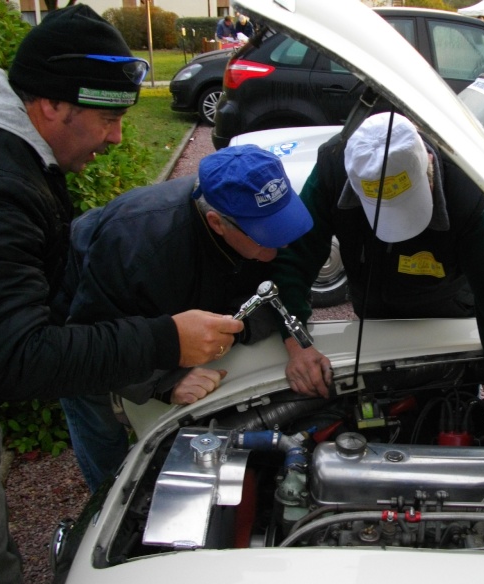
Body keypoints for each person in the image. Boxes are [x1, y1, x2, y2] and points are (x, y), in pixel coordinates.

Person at [0, 5, 245, 584]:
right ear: (53, 104)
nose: (116, 137)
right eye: (107, 118)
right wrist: (168, 341)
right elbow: (22, 357)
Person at [269, 112, 484, 449]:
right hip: (373, 321)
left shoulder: (468, 189)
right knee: (378, 418)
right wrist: (296, 341)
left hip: (445, 320)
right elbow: (294, 258)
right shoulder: (334, 166)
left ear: (428, 167)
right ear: (353, 186)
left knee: (448, 416)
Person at [57, 145, 312, 493]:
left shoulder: (246, 212)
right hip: (82, 311)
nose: (278, 248)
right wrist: (166, 380)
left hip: (159, 300)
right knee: (95, 415)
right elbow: (89, 340)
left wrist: (239, 329)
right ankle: (112, 495)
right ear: (216, 223)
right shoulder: (138, 246)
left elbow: (271, 288)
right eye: (266, 237)